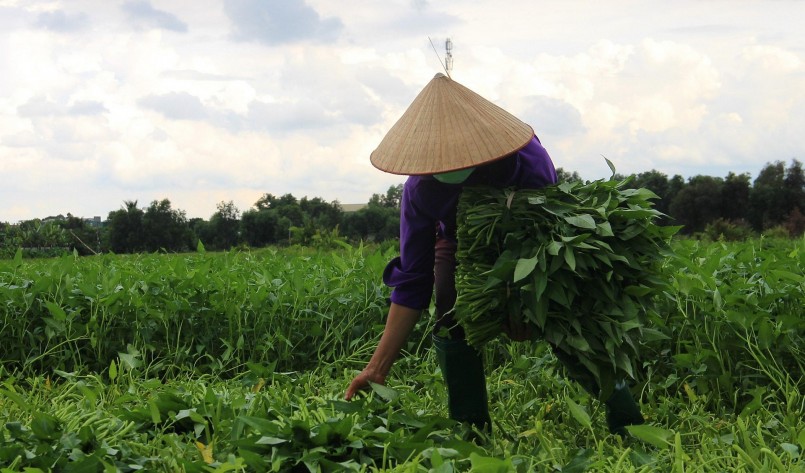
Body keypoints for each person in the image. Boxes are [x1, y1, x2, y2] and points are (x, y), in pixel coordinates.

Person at [345, 73, 644, 437]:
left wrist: (519, 301)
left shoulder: (525, 160)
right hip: (456, 243)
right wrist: (377, 368)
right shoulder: (421, 190)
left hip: (530, 238)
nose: (448, 167)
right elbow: (413, 279)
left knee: (566, 314)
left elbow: (546, 236)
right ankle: (470, 427)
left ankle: (627, 423)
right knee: (450, 306)